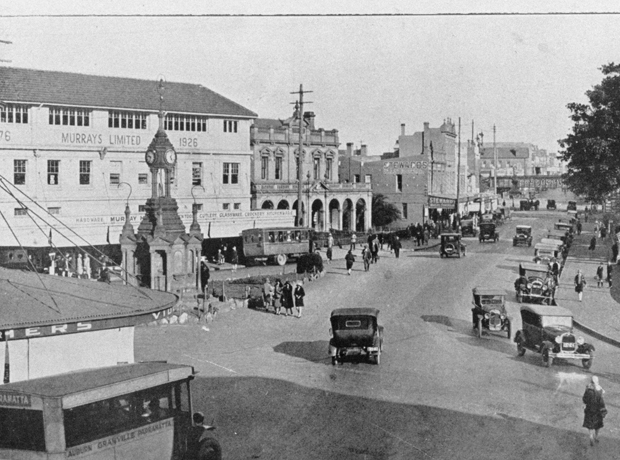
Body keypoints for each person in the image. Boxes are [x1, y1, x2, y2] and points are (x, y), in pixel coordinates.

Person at [583, 376, 606, 446]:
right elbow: (602, 401)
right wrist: (603, 409)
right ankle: (596, 436)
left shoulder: (588, 389)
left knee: (589, 424)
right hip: (598, 410)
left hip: (590, 409)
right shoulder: (600, 390)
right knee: (598, 424)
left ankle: (591, 436)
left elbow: (585, 399)